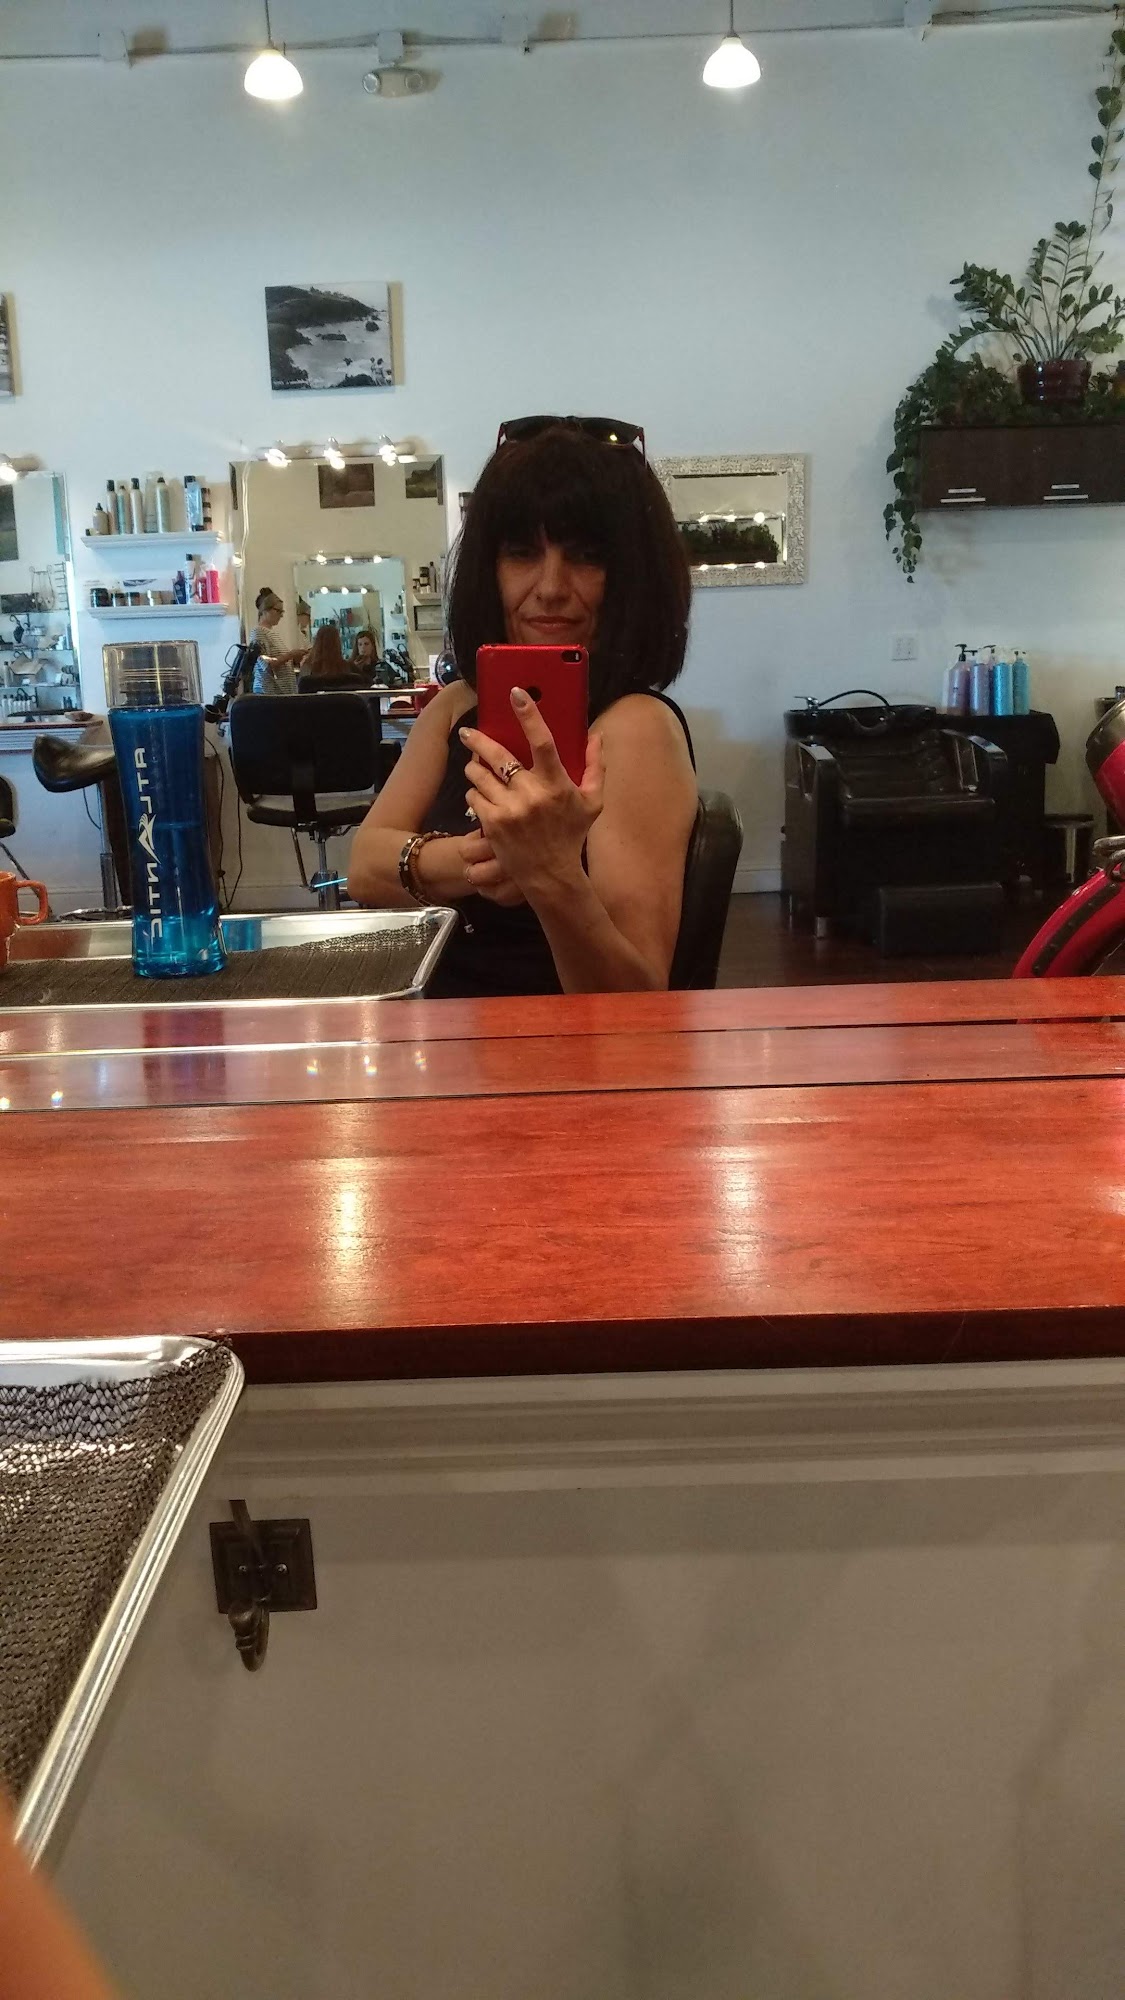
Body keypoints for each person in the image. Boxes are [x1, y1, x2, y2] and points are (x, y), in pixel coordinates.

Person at [347, 417, 698, 996]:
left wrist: (550, 875)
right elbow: (363, 867)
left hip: (538, 1043)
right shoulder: (455, 706)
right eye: (521, 552)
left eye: (587, 556)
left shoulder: (635, 727)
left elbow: (633, 1000)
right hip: (426, 1025)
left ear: (632, 577)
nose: (551, 586)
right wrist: (485, 859)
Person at [248, 588, 302, 696]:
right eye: (278, 611)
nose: (281, 615)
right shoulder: (259, 632)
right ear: (265, 610)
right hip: (269, 694)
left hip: (279, 693)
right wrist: (291, 655)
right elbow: (266, 664)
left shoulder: (272, 634)